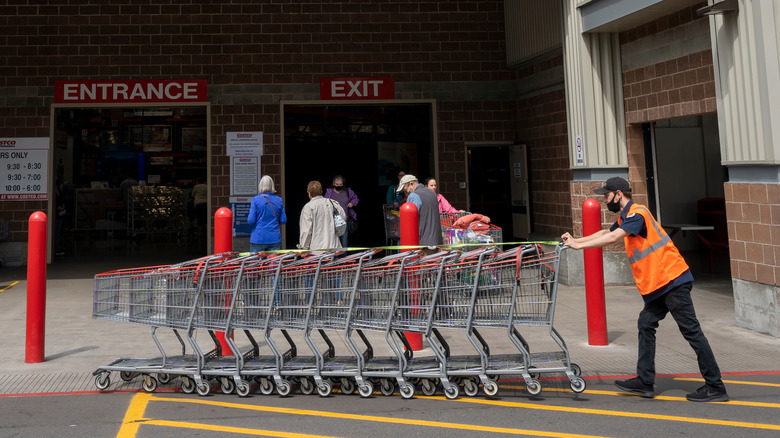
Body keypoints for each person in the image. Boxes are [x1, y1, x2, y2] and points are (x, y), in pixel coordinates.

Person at [561, 177, 728, 402]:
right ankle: (645, 381)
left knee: (691, 331)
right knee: (646, 323)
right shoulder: (626, 215)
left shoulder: (637, 213)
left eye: (607, 195)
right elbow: (603, 232)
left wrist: (578, 246)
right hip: (659, 285)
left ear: (619, 194)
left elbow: (612, 238)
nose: (605, 200)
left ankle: (715, 386)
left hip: (672, 280)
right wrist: (576, 239)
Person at [397, 174, 442, 254]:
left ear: (412, 184)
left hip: (423, 242)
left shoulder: (414, 195)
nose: (405, 193)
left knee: (423, 265)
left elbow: (410, 221)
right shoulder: (432, 193)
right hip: (437, 240)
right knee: (434, 264)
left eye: (405, 190)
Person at [297, 180, 346, 251]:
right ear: (321, 191)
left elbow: (306, 231)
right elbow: (342, 218)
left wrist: (304, 248)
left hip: (317, 250)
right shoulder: (333, 203)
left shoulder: (308, 207)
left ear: (309, 194)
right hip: (334, 248)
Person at [247, 175, 287, 252]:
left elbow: (251, 220)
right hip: (274, 238)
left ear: (260, 185)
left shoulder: (255, 200)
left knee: (254, 263)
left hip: (258, 237)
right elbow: (283, 220)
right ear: (272, 186)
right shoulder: (279, 200)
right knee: (274, 263)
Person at [324, 175, 359, 249]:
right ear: (333, 183)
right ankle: (334, 259)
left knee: (344, 243)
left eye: (340, 185)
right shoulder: (329, 193)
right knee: (333, 243)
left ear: (343, 184)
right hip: (332, 222)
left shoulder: (347, 191)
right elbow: (324, 203)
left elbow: (356, 198)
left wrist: (352, 203)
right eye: (337, 184)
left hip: (344, 221)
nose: (338, 186)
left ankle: (343, 259)